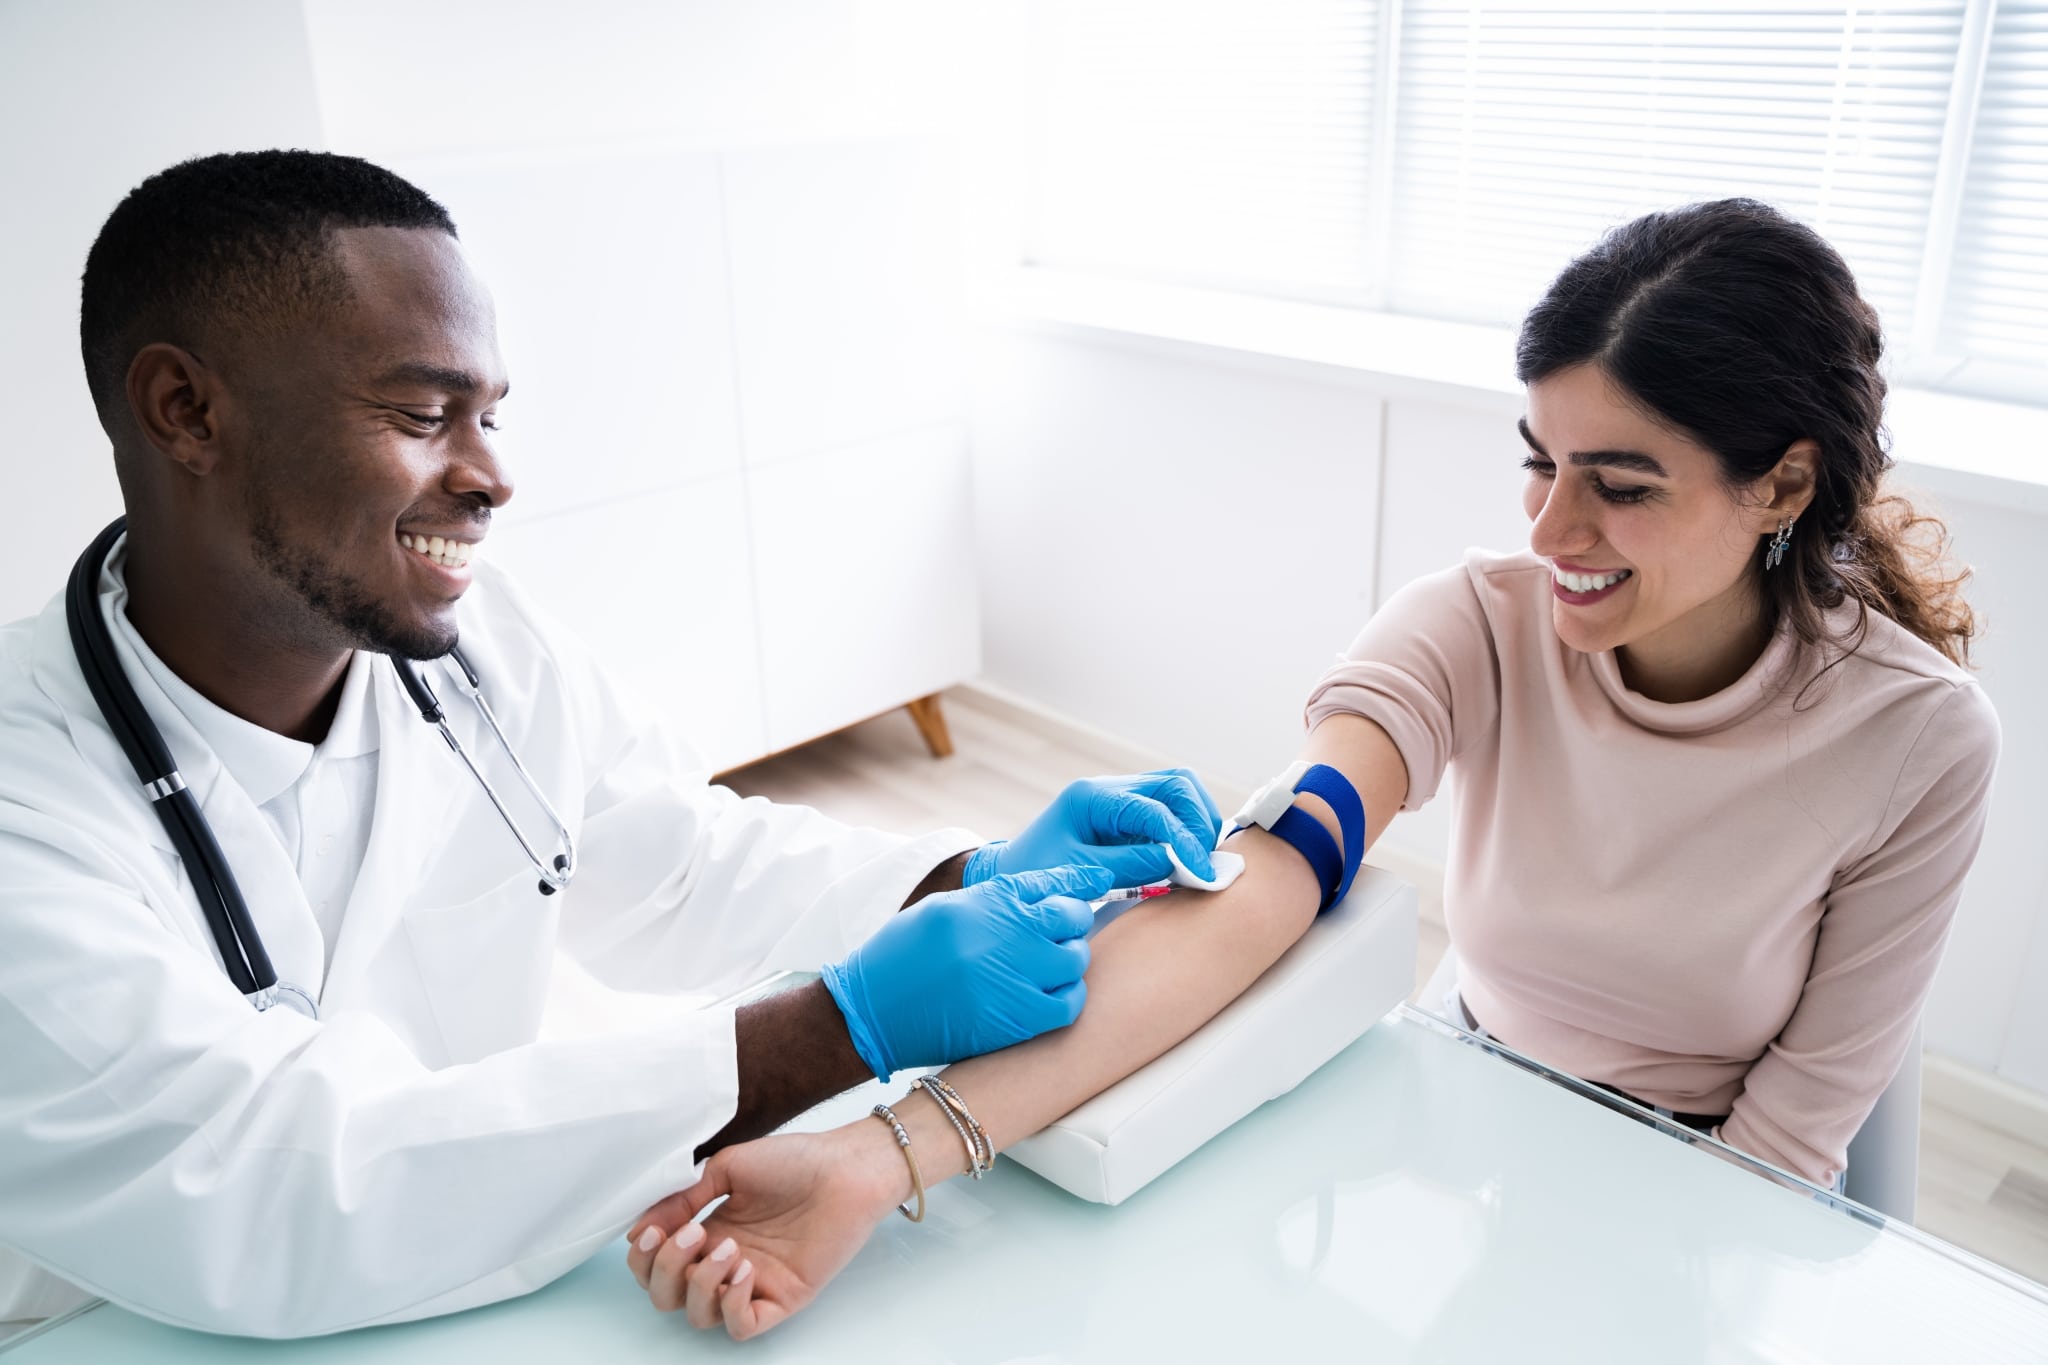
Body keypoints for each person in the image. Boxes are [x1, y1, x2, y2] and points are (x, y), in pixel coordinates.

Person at [629, 198, 1999, 1340]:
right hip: (1483, 1085)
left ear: (1782, 483)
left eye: (1622, 484)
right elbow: (1268, 881)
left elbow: (1786, 1147)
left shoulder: (1919, 737)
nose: (1552, 526)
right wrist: (874, 1162)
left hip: (1704, 1176)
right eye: (1539, 462)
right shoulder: (1479, 620)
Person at [0, 150, 1235, 1339]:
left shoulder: (473, 641)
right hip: (133, 1318)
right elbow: (260, 1192)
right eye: (426, 414)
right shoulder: (28, 801)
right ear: (185, 411)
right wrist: (835, 1030)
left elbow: (675, 859)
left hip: (486, 1248)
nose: (490, 477)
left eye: (488, 414)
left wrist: (961, 878)